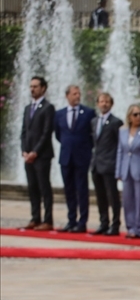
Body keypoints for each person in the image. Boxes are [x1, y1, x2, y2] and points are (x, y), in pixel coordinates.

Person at [53, 85, 96, 233]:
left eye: (79, 93)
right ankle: (71, 220)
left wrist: (85, 149)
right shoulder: (59, 114)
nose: (77, 96)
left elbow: (92, 135)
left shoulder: (88, 113)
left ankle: (82, 222)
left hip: (82, 157)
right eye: (74, 94)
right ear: (67, 96)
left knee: (82, 190)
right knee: (69, 190)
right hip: (66, 157)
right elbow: (59, 135)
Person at [20, 76, 56, 231]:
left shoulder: (48, 108)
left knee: (44, 187)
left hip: (42, 155)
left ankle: (48, 220)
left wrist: (35, 151)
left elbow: (47, 132)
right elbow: (24, 131)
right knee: (32, 187)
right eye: (31, 86)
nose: (32, 89)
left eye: (35, 86)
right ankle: (35, 218)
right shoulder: (28, 108)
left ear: (43, 88)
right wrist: (24, 150)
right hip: (28, 155)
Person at [115, 104, 140, 239]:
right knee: (128, 200)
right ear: (129, 117)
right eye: (135, 114)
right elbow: (120, 151)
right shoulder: (122, 131)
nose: (139, 117)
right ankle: (131, 227)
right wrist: (118, 171)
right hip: (126, 169)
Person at [90, 92, 122, 235]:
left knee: (112, 196)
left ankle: (115, 224)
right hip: (96, 164)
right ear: (97, 104)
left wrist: (118, 165)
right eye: (102, 101)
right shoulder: (94, 121)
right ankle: (104, 222)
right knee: (100, 195)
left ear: (111, 104)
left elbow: (119, 145)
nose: (104, 104)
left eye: (107, 102)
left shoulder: (116, 122)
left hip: (109, 164)